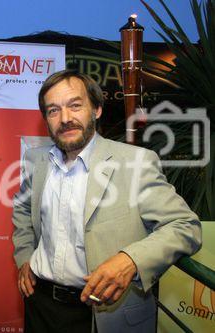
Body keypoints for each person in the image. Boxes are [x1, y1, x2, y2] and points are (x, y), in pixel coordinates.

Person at [12, 69, 201, 332]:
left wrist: (130, 259)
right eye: (53, 110)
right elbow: (22, 211)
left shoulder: (136, 163)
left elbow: (185, 226)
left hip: (105, 314)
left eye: (75, 106)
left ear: (97, 109)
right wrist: (24, 257)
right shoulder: (36, 160)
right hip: (41, 306)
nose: (65, 119)